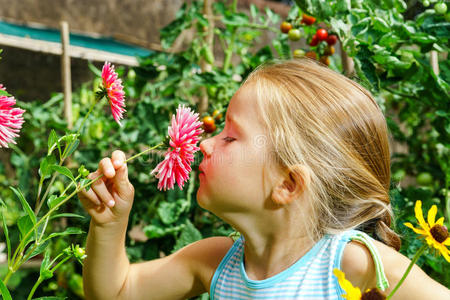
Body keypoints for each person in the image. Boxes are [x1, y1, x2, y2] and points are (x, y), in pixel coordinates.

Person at [78, 59, 450, 299]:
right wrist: (110, 225)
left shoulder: (353, 263)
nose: (205, 144)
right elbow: (116, 293)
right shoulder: (216, 261)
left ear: (288, 184)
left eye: (229, 136)